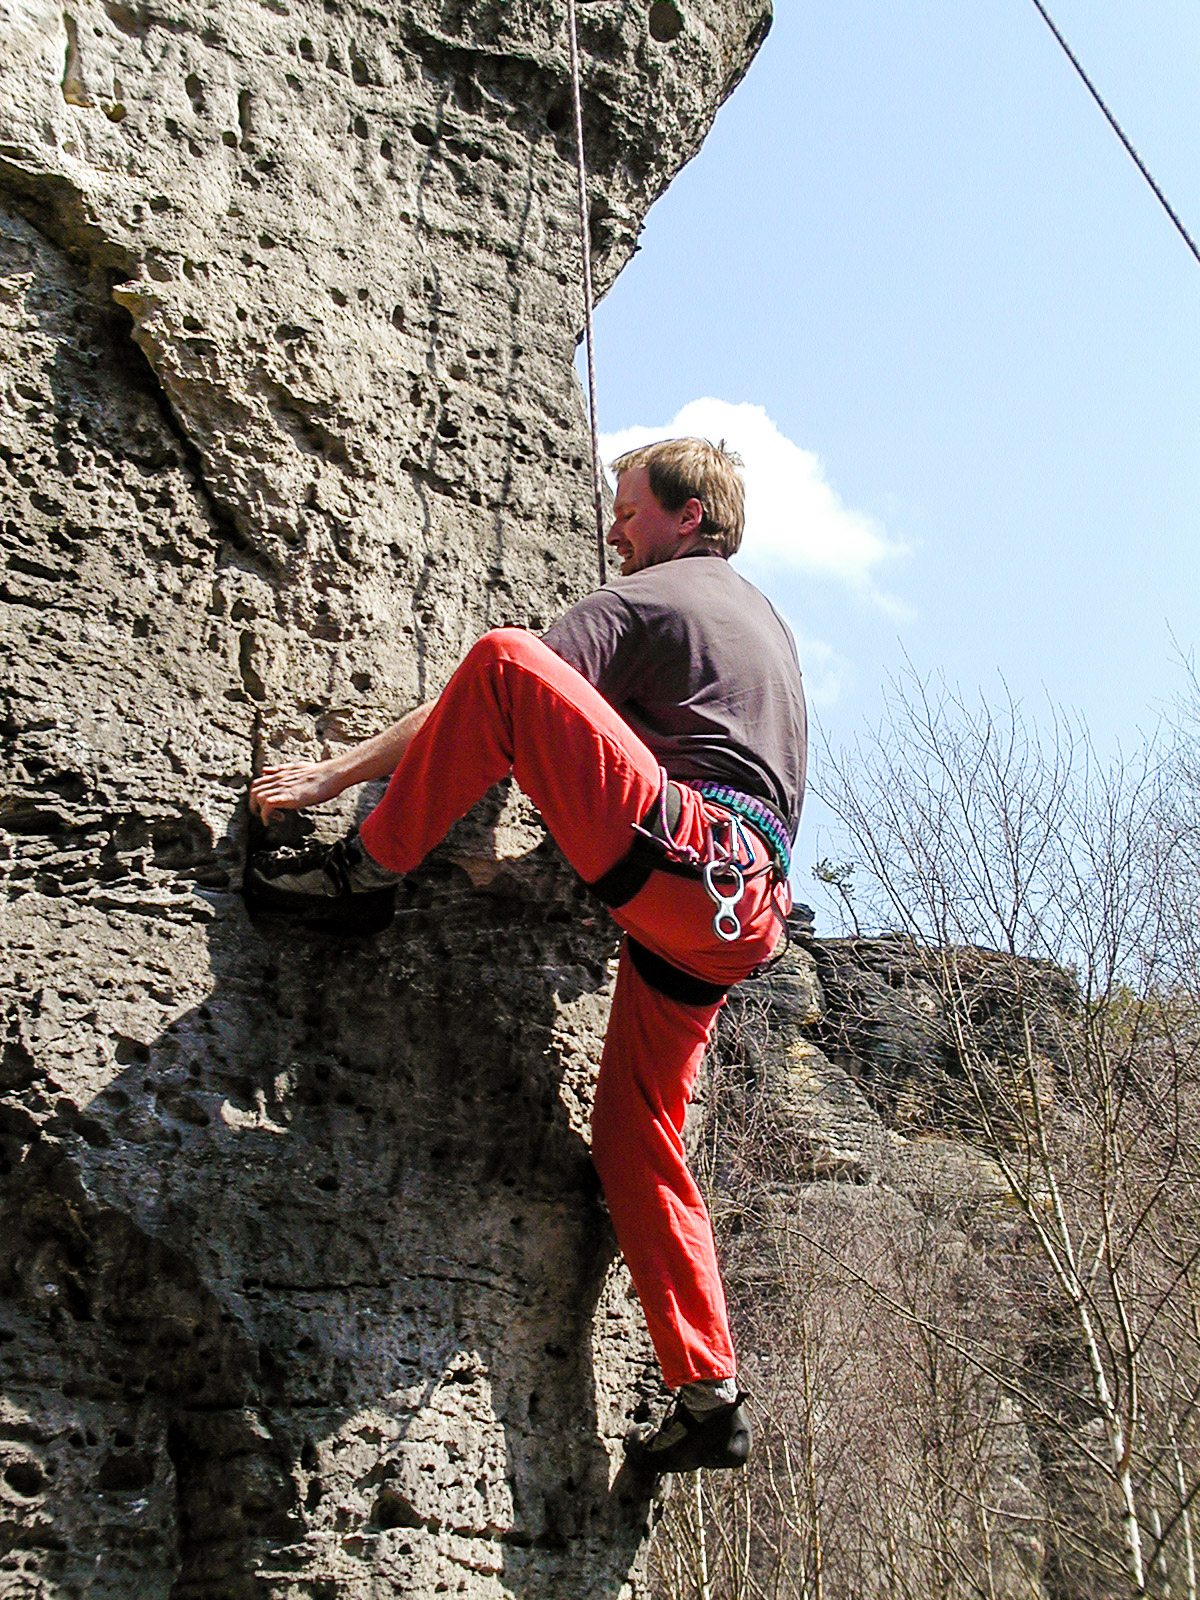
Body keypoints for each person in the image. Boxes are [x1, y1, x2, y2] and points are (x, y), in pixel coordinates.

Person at [247, 438, 807, 1474]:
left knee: (506, 656)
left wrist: (337, 775)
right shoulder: (759, 621)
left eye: (629, 511)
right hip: (739, 911)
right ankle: (708, 1392)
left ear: (687, 517)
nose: (614, 531)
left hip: (687, 861)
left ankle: (362, 875)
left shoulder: (659, 595)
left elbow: (485, 694)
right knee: (635, 1133)